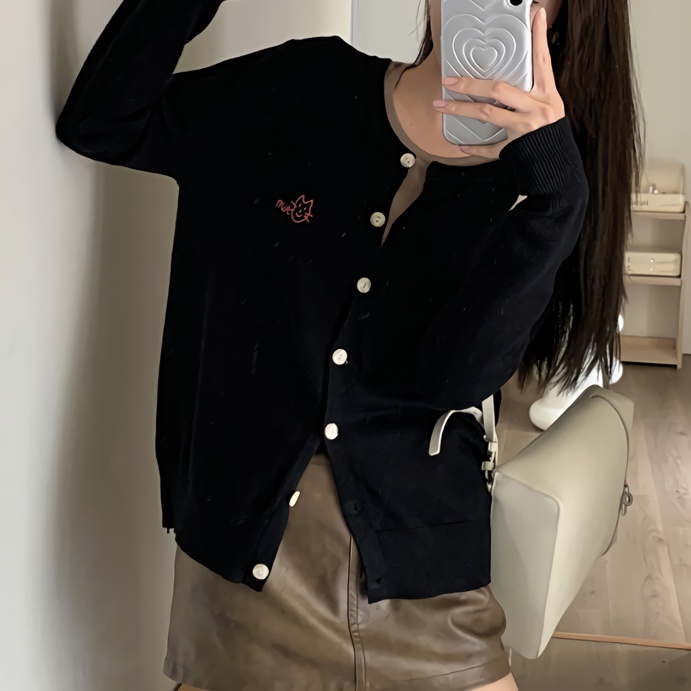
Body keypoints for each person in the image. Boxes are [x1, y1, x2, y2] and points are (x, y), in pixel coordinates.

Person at [56, 0, 641, 689]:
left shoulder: (544, 181)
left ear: (563, 16)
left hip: (423, 574)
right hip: (253, 567)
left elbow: (451, 378)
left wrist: (555, 200)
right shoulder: (301, 89)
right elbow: (103, 120)